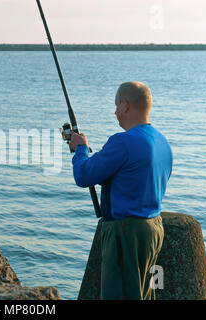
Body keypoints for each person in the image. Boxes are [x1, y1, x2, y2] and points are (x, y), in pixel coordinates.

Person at [70, 81, 173, 300]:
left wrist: (80, 149)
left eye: (117, 106)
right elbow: (131, 174)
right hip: (153, 229)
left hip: (126, 234)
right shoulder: (162, 142)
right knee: (143, 295)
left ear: (125, 105)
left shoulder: (123, 142)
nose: (115, 112)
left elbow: (84, 176)